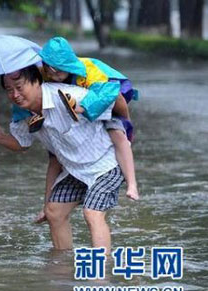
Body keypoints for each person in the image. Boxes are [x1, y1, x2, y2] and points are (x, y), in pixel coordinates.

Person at [0, 65, 125, 252]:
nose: (15, 95)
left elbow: (113, 99)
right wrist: (0, 137)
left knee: (92, 213)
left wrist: (127, 125)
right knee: (53, 212)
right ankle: (62, 266)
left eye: (19, 87)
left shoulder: (67, 96)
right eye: (9, 90)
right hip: (74, 170)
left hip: (105, 164)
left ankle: (101, 273)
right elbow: (22, 144)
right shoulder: (24, 113)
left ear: (37, 82)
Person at [16, 36, 139, 201]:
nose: (53, 75)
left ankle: (132, 184)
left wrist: (84, 108)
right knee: (54, 153)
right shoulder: (41, 73)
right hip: (69, 111)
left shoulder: (88, 69)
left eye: (59, 71)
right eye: (49, 70)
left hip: (105, 98)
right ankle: (48, 204)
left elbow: (113, 96)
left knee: (117, 132)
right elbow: (32, 96)